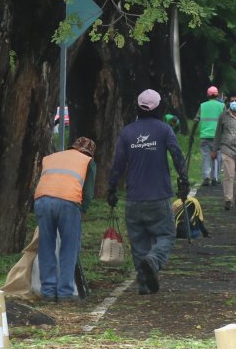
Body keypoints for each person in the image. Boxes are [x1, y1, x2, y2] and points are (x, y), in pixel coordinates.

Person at [108, 89, 189, 295]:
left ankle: (144, 285)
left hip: (134, 199)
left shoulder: (127, 132)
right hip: (159, 197)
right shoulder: (164, 130)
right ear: (159, 107)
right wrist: (184, 179)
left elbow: (117, 165)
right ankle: (154, 260)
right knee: (167, 235)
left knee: (138, 243)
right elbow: (177, 156)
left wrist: (111, 189)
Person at [32, 137, 96, 302]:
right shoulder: (88, 161)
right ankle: (65, 293)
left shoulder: (52, 157)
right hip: (68, 201)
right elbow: (87, 192)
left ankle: (48, 292)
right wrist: (83, 210)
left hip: (42, 199)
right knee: (69, 247)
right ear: (89, 152)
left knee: (46, 246)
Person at [196, 86, 224, 186]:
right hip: (218, 137)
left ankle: (206, 177)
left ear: (207, 95)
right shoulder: (222, 106)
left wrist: (191, 134)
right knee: (218, 157)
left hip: (205, 135)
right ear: (217, 95)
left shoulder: (202, 105)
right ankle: (215, 178)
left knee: (205, 156)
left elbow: (196, 120)